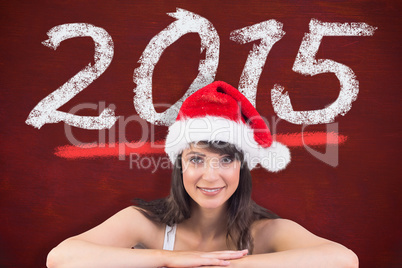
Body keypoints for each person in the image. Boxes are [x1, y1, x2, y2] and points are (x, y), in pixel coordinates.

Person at [46, 81, 358, 267]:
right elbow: (60, 259)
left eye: (225, 160)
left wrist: (226, 264)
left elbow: (344, 261)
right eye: (196, 159)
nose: (211, 176)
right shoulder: (144, 223)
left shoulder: (266, 232)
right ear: (179, 164)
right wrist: (167, 258)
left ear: (241, 166)